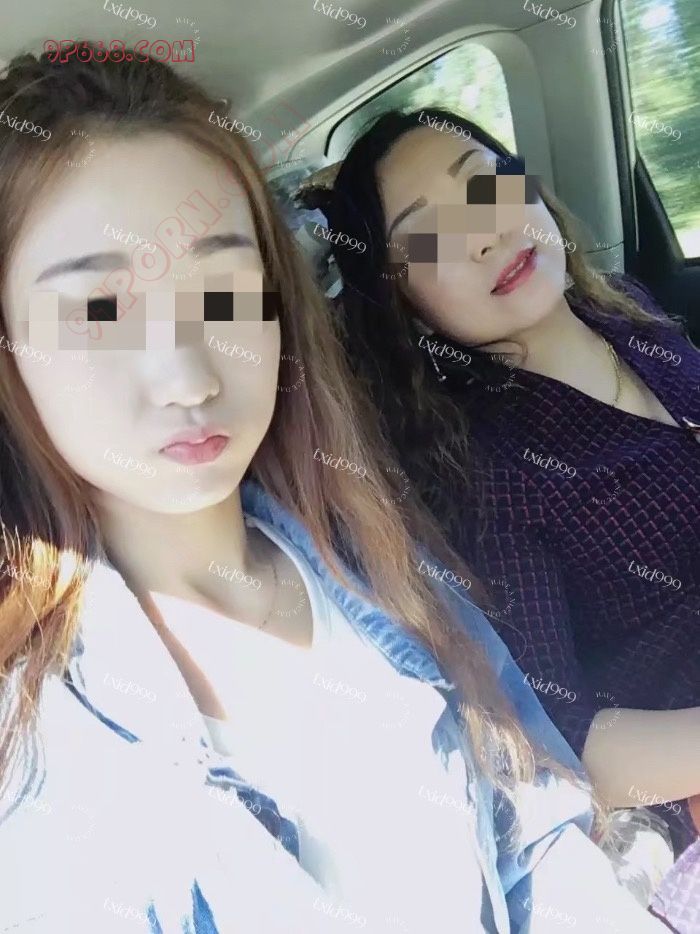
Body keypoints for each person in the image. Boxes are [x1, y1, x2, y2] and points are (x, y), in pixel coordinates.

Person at [0, 52, 669, 933]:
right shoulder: (41, 766)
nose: (186, 377)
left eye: (222, 291)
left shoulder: (388, 567)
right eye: (97, 311)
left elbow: (543, 852)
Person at [300, 107, 700, 860]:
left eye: (484, 184)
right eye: (427, 235)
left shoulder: (626, 311)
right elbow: (561, 739)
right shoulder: (486, 471)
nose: (483, 233)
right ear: (405, 303)